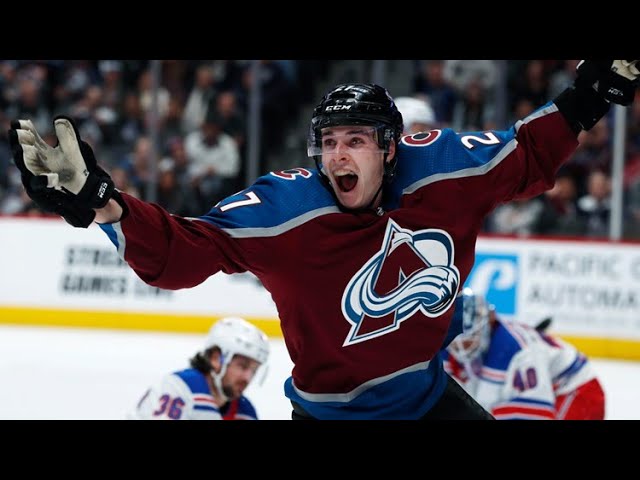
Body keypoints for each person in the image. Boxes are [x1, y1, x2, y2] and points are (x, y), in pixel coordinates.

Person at [7, 60, 638, 420]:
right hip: (329, 416)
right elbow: (181, 252)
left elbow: (525, 154)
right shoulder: (284, 212)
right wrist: (104, 203)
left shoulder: (445, 171)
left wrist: (588, 96)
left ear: (390, 149)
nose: (338, 155)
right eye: (328, 143)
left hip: (426, 400)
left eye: (356, 140)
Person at [442, 288, 605, 420]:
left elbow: (535, 415)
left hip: (576, 391)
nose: (461, 347)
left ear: (486, 325)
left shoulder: (520, 356)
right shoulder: (442, 348)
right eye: (455, 340)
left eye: (470, 338)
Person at [129, 316, 270, 420]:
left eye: (254, 370)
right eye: (242, 366)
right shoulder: (179, 388)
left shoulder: (245, 413)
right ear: (216, 359)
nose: (248, 377)